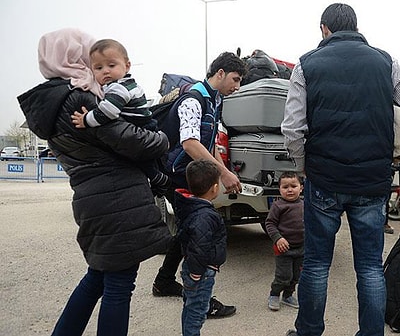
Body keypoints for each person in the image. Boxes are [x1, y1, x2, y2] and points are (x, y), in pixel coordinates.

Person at [281, 3, 400, 336]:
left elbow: (292, 129)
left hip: (324, 180)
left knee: (317, 265)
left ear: (324, 29)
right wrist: (398, 148)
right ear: (355, 26)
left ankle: (308, 331)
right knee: (369, 268)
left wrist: (304, 167)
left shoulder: (306, 64)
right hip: (372, 182)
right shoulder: (385, 61)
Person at [17, 28, 171, 336]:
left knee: (97, 278)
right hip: (118, 197)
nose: (94, 63)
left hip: (91, 196)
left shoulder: (49, 102)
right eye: (88, 54)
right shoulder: (79, 99)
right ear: (75, 56)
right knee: (119, 285)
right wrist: (163, 138)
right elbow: (134, 142)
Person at [151, 51, 247, 318]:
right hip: (179, 177)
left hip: (189, 175)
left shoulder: (213, 100)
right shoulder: (193, 100)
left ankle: (164, 281)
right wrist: (224, 175)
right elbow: (190, 144)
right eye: (235, 79)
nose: (237, 86)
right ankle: (200, 300)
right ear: (220, 74)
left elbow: (208, 143)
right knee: (198, 232)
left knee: (186, 229)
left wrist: (224, 172)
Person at [70, 38, 169, 195]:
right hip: (144, 125)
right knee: (145, 161)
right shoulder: (126, 84)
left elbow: (108, 112)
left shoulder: (119, 87)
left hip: (141, 126)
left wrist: (86, 120)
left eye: (111, 65)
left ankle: (159, 180)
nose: (105, 71)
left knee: (142, 161)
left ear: (127, 65)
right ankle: (158, 181)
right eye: (98, 68)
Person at [176, 158, 227, 336]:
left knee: (190, 307)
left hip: (195, 269)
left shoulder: (192, 207)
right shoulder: (204, 216)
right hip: (201, 273)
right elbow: (199, 246)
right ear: (214, 188)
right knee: (197, 311)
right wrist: (197, 273)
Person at [265, 171, 304, 311]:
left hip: (301, 248)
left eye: (293, 186)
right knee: (283, 276)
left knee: (296, 276)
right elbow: (270, 224)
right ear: (279, 189)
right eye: (285, 187)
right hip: (283, 249)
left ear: (301, 188)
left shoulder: (305, 205)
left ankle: (288, 295)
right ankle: (274, 294)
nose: (289, 190)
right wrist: (278, 238)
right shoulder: (278, 206)